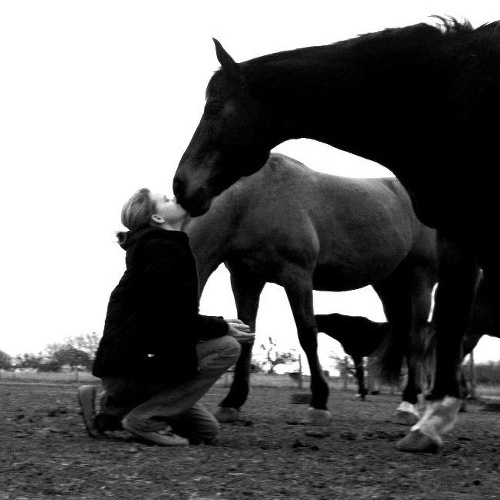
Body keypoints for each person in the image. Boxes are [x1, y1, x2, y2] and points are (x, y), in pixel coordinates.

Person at [78, 188, 254, 446]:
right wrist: (221, 326)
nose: (175, 199)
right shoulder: (161, 249)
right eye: (166, 200)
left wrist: (216, 326)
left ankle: (111, 408)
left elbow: (168, 317)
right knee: (227, 347)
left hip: (137, 367)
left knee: (206, 431)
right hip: (136, 370)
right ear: (158, 219)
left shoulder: (163, 248)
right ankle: (143, 418)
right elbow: (168, 317)